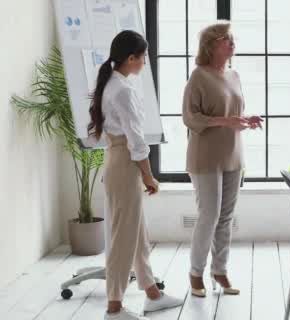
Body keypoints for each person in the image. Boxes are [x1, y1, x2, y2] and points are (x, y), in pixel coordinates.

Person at [88, 30, 183, 320]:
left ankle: (151, 291)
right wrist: (149, 176)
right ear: (131, 58)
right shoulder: (124, 90)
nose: (144, 63)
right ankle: (114, 307)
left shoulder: (111, 84)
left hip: (116, 160)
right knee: (123, 237)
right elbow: (137, 141)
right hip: (126, 163)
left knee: (135, 231)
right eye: (143, 58)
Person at [182, 21, 263, 298]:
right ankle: (195, 273)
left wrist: (245, 120)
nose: (232, 43)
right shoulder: (198, 76)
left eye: (232, 39)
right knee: (209, 216)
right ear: (211, 45)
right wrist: (224, 121)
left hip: (233, 154)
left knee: (226, 217)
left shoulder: (234, 75)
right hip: (205, 155)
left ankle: (220, 270)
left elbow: (233, 113)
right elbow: (190, 118)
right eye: (225, 39)